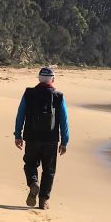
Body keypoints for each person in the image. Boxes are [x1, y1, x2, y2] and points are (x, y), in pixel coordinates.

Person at [13, 67, 69, 210]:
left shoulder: (29, 93)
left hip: (31, 137)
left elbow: (20, 115)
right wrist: (64, 141)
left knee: (30, 164)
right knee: (49, 170)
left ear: (39, 78)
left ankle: (33, 183)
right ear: (53, 79)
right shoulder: (59, 96)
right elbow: (64, 120)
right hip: (51, 139)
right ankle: (43, 200)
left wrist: (18, 134)